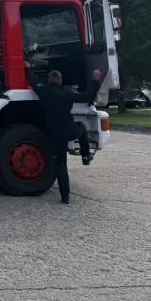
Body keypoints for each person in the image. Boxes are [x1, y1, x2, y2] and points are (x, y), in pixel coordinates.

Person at [23, 61, 102, 204]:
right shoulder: (68, 93)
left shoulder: (43, 91)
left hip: (53, 132)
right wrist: (95, 81)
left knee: (61, 164)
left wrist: (27, 68)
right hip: (69, 130)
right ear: (60, 80)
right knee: (81, 127)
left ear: (48, 80)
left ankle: (65, 197)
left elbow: (33, 81)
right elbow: (87, 96)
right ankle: (85, 155)